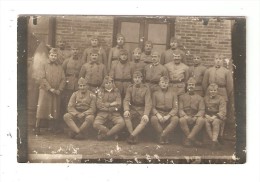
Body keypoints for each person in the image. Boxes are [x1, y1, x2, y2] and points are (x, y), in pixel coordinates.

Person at [35, 48, 66, 135]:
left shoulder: (59, 66)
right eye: (52, 55)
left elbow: (63, 79)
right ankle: (37, 127)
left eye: (55, 56)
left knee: (54, 109)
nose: (53, 57)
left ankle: (52, 127)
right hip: (45, 90)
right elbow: (42, 78)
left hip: (56, 91)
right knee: (41, 108)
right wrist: (49, 88)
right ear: (49, 55)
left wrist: (59, 89)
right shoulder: (44, 65)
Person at [123, 71, 152, 144]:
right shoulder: (130, 87)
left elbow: (148, 103)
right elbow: (126, 100)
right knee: (126, 117)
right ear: (133, 79)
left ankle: (131, 136)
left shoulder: (146, 88)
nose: (137, 79)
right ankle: (134, 135)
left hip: (142, 109)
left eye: (139, 78)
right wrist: (126, 110)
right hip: (132, 108)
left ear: (142, 78)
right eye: (135, 78)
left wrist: (146, 114)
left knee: (144, 120)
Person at [93, 76, 125, 140]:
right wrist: (111, 104)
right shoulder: (100, 91)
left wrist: (106, 105)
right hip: (102, 113)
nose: (108, 84)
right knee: (96, 124)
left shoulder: (116, 91)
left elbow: (119, 104)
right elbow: (99, 105)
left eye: (110, 82)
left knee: (121, 123)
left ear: (112, 83)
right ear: (104, 84)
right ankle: (113, 134)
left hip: (114, 113)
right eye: (106, 83)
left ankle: (106, 135)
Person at [151, 76, 179, 144]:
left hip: (169, 113)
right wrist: (158, 115)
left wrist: (168, 116)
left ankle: (163, 135)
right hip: (159, 112)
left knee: (175, 119)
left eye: (166, 83)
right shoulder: (155, 94)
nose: (164, 84)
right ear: (159, 83)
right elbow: (152, 107)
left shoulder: (173, 93)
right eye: (162, 82)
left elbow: (175, 108)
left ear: (168, 84)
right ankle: (164, 136)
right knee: (153, 119)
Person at [179, 77, 205, 147]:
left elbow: (202, 110)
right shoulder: (182, 97)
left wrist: (195, 117)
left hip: (195, 115)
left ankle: (188, 139)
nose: (191, 86)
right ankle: (194, 140)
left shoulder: (200, 98)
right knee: (182, 120)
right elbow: (180, 109)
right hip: (186, 115)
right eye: (189, 85)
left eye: (192, 85)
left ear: (195, 86)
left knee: (201, 120)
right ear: (187, 86)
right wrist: (186, 116)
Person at [61, 45, 84, 120]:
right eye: (73, 49)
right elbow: (62, 72)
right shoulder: (66, 61)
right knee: (67, 101)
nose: (75, 51)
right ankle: (66, 118)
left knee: (77, 102)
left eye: (77, 49)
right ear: (71, 51)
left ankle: (75, 119)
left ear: (79, 51)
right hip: (68, 83)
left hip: (77, 83)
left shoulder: (82, 61)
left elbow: (83, 73)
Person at [204, 83, 226, 150]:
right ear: (209, 91)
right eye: (211, 90)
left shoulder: (221, 99)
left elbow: (223, 111)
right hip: (208, 116)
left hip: (218, 117)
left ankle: (213, 142)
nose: (213, 92)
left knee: (215, 122)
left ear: (217, 91)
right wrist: (206, 115)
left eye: (214, 90)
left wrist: (214, 117)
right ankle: (215, 142)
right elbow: (202, 109)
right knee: (205, 122)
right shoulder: (205, 98)